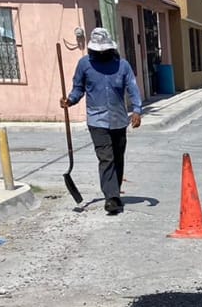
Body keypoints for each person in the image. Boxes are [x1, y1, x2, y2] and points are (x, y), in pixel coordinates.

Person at [60, 28, 143, 215]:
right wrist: (70, 100)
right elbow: (78, 88)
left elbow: (132, 87)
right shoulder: (84, 65)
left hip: (119, 119)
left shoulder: (122, 66)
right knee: (106, 158)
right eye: (98, 51)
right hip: (97, 120)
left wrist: (137, 110)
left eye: (104, 51)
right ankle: (111, 198)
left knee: (118, 158)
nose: (101, 54)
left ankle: (114, 192)